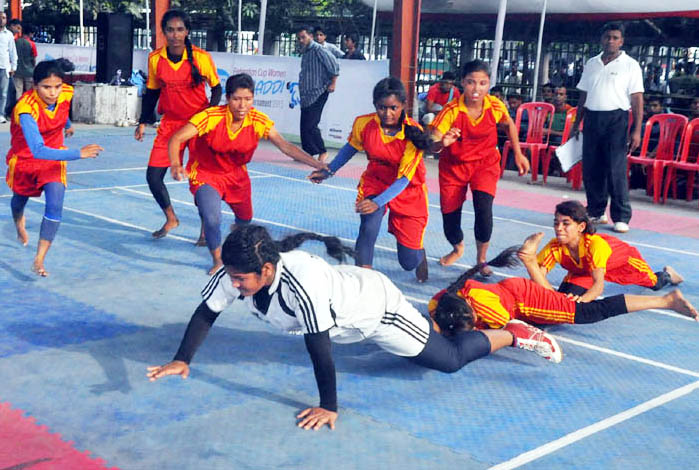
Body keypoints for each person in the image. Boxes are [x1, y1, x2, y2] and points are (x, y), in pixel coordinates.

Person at [147, 224, 561, 430]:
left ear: (267, 269)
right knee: (415, 349)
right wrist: (182, 359)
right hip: (346, 314)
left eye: (240, 279)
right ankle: (441, 321)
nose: (232, 285)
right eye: (232, 277)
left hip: (376, 311)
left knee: (446, 359)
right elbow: (206, 311)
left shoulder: (301, 285)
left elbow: (319, 350)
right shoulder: (237, 272)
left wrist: (329, 406)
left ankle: (514, 333)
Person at [168, 73, 328, 274]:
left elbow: (285, 146)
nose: (242, 105)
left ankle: (223, 239)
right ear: (228, 99)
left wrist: (315, 163)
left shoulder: (258, 120)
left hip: (237, 176)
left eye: (248, 99)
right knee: (212, 218)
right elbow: (177, 138)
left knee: (244, 221)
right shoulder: (210, 117)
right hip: (206, 173)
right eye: (236, 99)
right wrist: (175, 164)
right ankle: (219, 260)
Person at [309, 77, 431, 282]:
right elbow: (350, 148)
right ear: (375, 105)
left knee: (408, 261)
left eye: (393, 108)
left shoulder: (414, 134)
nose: (388, 113)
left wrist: (377, 202)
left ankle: (420, 255)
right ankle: (362, 280)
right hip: (376, 181)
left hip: (409, 190)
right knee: (368, 226)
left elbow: (402, 180)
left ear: (402, 106)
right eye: (382, 108)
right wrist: (328, 171)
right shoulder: (364, 123)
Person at [428, 245, 697, 337]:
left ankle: (666, 299)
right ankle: (532, 262)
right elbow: (437, 304)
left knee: (591, 311)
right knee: (561, 303)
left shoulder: (491, 313)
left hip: (527, 299)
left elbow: (509, 330)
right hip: (516, 291)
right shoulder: (451, 295)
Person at [429, 60, 530, 272]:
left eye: (482, 83)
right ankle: (457, 248)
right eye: (471, 82)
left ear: (488, 84)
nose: (477, 89)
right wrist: (442, 143)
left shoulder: (494, 105)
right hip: (454, 168)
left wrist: (519, 153)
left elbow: (509, 124)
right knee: (450, 218)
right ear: (462, 83)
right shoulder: (451, 110)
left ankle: (481, 259)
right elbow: (433, 141)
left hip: (484, 165)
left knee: (484, 210)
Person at [5, 60, 103, 276]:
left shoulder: (65, 92)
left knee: (55, 203)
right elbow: (38, 150)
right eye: (46, 87)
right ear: (35, 85)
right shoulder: (25, 109)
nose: (53, 92)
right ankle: (18, 220)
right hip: (26, 159)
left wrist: (67, 125)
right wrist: (79, 153)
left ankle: (39, 260)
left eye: (56, 86)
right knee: (19, 199)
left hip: (55, 158)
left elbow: (62, 107)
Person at [135, 10, 222, 240]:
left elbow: (217, 89)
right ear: (163, 32)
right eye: (170, 30)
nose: (175, 35)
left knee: (200, 181)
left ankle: (205, 231)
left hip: (196, 126)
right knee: (153, 177)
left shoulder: (201, 58)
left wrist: (209, 116)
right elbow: (151, 92)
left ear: (187, 32)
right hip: (170, 125)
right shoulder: (156, 59)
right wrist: (143, 121)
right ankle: (171, 218)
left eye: (180, 29)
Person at [519, 200, 683, 303]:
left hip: (623, 261)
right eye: (556, 223)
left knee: (653, 283)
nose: (558, 228)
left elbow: (598, 285)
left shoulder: (596, 246)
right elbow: (538, 277)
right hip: (585, 271)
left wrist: (584, 300)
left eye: (565, 224)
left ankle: (667, 275)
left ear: (581, 227)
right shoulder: (555, 246)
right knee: (566, 300)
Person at [570, 22, 644, 234]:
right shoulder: (592, 63)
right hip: (592, 118)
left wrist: (636, 130)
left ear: (621, 41)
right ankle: (595, 210)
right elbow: (583, 95)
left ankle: (621, 216)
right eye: (607, 37)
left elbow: (637, 99)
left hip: (617, 119)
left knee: (615, 169)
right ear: (601, 39)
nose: (610, 41)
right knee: (592, 168)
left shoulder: (630, 65)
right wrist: (577, 123)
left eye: (614, 37)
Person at [296, 25, 340, 163]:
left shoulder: (319, 50)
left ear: (311, 36)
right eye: (299, 38)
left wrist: (333, 83)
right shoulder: (305, 52)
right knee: (304, 125)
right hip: (306, 93)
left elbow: (334, 65)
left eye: (303, 37)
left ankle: (322, 151)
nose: (301, 40)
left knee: (311, 124)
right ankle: (308, 152)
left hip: (319, 91)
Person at [12, 22, 36, 103]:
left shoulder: (15, 42)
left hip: (17, 71)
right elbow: (34, 59)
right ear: (30, 33)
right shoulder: (32, 44)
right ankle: (27, 107)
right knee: (29, 92)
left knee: (18, 91)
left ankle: (18, 108)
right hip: (29, 72)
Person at [0, 12, 17, 123]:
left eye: (4, 18)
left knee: (3, 93)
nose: (2, 20)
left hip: (4, 67)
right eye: (0, 17)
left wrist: (13, 67)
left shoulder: (9, 35)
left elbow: (12, 52)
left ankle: (1, 114)